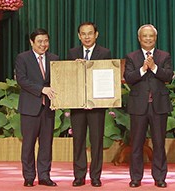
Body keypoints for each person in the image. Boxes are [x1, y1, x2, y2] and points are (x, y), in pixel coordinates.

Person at [124, 24, 174, 188]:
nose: (147, 39)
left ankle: (159, 177)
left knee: (159, 143)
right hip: (138, 106)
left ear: (155, 38)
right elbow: (129, 77)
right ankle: (136, 178)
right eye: (144, 36)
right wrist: (144, 69)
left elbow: (168, 76)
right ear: (139, 38)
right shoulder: (132, 57)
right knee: (137, 144)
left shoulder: (164, 56)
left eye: (150, 36)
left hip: (158, 106)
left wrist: (154, 67)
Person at [67, 22, 112, 188]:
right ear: (79, 36)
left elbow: (107, 76)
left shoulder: (105, 53)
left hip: (97, 106)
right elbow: (69, 78)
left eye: (90, 33)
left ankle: (95, 176)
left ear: (96, 34)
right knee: (78, 141)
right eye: (83, 34)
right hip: (77, 105)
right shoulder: (72, 53)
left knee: (96, 141)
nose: (87, 37)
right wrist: (75, 68)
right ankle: (79, 176)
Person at [15, 28, 60, 187]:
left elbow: (59, 80)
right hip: (29, 108)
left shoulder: (54, 58)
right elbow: (22, 80)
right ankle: (28, 176)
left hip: (48, 108)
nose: (43, 44)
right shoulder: (23, 58)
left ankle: (44, 176)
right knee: (28, 144)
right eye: (40, 41)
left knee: (46, 144)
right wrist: (42, 89)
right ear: (31, 42)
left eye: (46, 41)